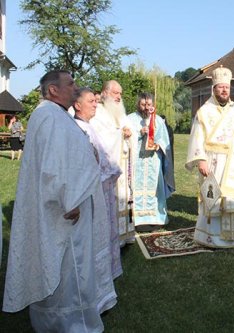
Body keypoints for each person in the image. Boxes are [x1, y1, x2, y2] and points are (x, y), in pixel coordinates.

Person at [3, 70, 116, 332]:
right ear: (53, 90)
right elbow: (53, 166)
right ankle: (69, 323)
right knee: (67, 268)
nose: (76, 88)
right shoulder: (48, 116)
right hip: (64, 210)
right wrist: (69, 200)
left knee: (71, 266)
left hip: (67, 203)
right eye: (70, 83)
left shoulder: (55, 115)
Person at [186, 66, 234, 247]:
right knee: (212, 197)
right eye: (220, 87)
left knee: (232, 198)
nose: (224, 90)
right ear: (214, 89)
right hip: (213, 161)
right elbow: (196, 136)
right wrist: (200, 159)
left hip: (233, 162)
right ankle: (210, 237)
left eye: (227, 87)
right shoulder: (204, 111)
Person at [74, 87, 123, 279]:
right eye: (91, 102)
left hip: (102, 187)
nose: (96, 104)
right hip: (92, 191)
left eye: (96, 101)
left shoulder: (89, 125)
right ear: (77, 105)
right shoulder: (79, 128)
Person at [90, 80, 136, 245]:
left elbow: (131, 134)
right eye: (116, 93)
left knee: (125, 197)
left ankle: (126, 234)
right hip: (109, 167)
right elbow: (99, 138)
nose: (119, 97)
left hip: (124, 165)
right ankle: (113, 237)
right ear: (105, 93)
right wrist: (120, 134)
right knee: (112, 200)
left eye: (120, 94)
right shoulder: (98, 113)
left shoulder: (121, 113)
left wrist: (130, 135)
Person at [127, 93, 175, 231]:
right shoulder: (130, 119)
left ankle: (155, 218)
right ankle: (136, 218)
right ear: (138, 104)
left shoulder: (158, 120)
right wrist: (139, 133)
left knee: (154, 189)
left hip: (153, 161)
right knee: (135, 187)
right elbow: (124, 139)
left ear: (153, 105)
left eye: (148, 105)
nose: (146, 108)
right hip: (137, 161)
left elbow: (164, 140)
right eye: (143, 105)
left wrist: (157, 144)